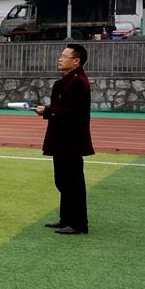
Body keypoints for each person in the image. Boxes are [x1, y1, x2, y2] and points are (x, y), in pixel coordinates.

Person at [36, 44, 94, 235]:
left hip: (71, 140)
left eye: (64, 56)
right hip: (63, 139)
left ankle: (78, 223)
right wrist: (49, 111)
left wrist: (47, 111)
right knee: (63, 180)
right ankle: (66, 219)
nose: (60, 59)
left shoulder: (78, 82)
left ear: (76, 61)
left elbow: (72, 113)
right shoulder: (67, 81)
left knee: (72, 181)